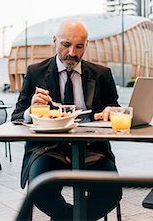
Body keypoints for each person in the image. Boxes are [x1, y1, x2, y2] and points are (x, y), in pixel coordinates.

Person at [11, 19, 122, 220]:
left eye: (79, 46)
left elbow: (114, 108)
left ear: (86, 45)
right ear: (55, 41)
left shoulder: (101, 75)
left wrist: (111, 112)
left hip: (92, 148)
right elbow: (17, 117)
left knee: (111, 192)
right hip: (48, 149)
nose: (72, 52)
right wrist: (31, 110)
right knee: (40, 189)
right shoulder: (35, 72)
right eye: (66, 45)